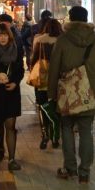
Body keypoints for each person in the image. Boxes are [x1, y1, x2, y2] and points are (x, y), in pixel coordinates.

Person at [48, 6, 95, 183]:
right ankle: (85, 171)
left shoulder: (63, 40)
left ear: (70, 19)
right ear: (86, 18)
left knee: (66, 129)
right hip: (90, 93)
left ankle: (70, 167)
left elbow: (54, 68)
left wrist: (52, 94)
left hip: (67, 93)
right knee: (86, 130)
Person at [0, 23, 24, 171]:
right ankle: (0, 149)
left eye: (5, 35)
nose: (2, 38)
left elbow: (20, 69)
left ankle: (11, 158)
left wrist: (15, 82)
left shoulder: (16, 48)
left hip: (12, 92)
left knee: (10, 125)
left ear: (9, 36)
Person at [31, 18, 63, 149]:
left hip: (42, 79)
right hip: (58, 80)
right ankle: (56, 137)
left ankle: (45, 134)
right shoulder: (63, 41)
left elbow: (33, 60)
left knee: (42, 105)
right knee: (56, 107)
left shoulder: (39, 40)